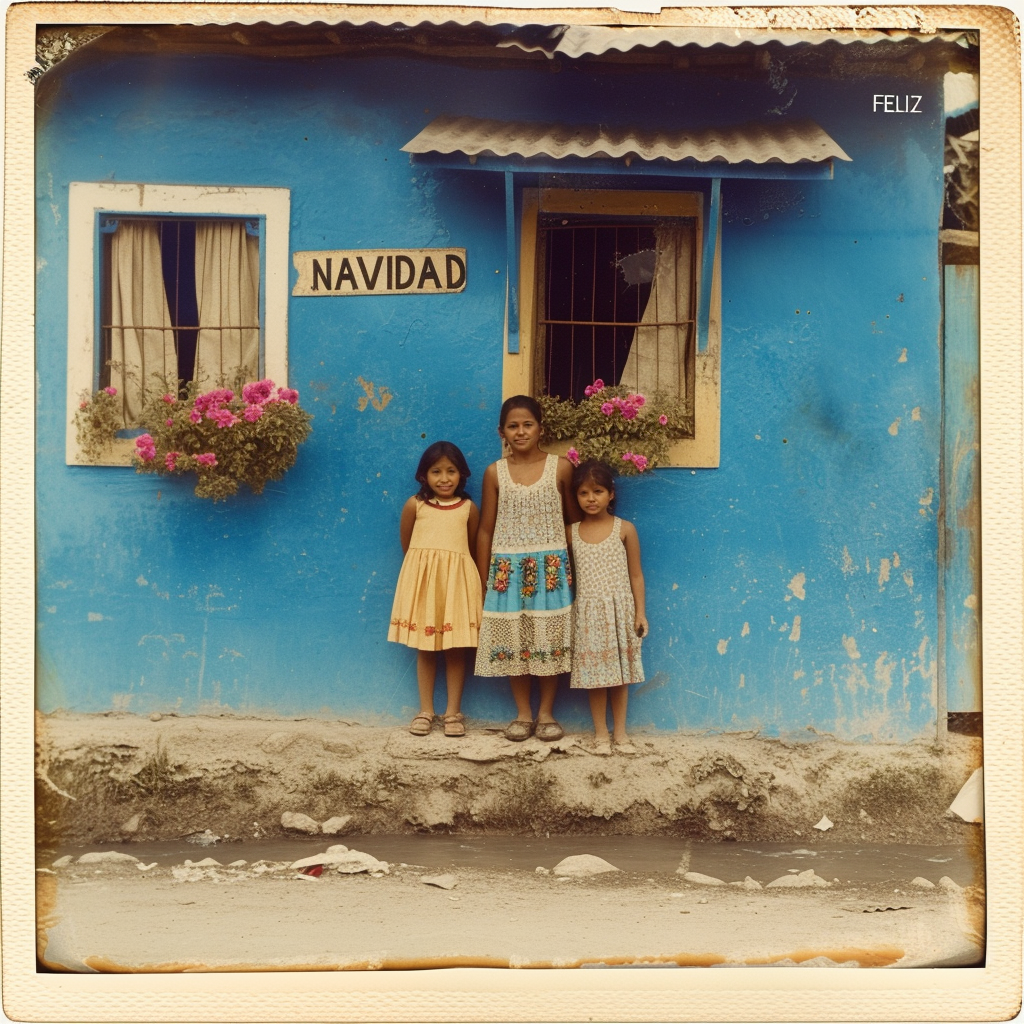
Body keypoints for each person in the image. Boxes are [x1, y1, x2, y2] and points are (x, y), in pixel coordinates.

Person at [474, 395, 579, 741]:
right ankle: (522, 713)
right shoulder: (495, 472)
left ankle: (547, 713)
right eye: (513, 426)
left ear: (541, 429)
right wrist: (484, 577)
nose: (520, 432)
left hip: (550, 570)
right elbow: (486, 529)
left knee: (548, 640)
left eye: (527, 424)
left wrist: (575, 569)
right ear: (501, 431)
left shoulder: (560, 468)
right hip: (507, 571)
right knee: (515, 642)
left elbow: (572, 523)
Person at [388, 441, 481, 738]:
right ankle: (425, 710)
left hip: (457, 583)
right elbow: (408, 547)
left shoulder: (468, 508)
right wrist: (422, 574)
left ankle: (453, 711)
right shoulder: (415, 506)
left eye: (451, 471)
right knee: (425, 647)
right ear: (423, 476)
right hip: (425, 583)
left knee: (456, 648)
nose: (444, 478)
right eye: (436, 471)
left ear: (461, 474)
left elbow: (471, 546)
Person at [566, 460, 647, 755]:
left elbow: (636, 574)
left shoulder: (624, 529)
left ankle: (621, 733)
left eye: (598, 491)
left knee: (621, 675)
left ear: (611, 494)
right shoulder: (570, 532)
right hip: (588, 614)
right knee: (595, 676)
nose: (591, 498)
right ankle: (601, 733)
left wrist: (640, 613)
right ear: (576, 496)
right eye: (584, 493)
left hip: (619, 611)